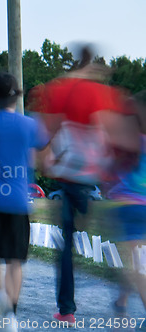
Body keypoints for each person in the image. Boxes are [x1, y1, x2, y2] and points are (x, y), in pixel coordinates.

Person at [30, 45, 141, 327]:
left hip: (68, 182)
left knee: (66, 247)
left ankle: (66, 309)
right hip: (96, 182)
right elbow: (118, 141)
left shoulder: (60, 88)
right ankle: (123, 296)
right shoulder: (107, 96)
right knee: (118, 242)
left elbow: (47, 136)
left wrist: (45, 164)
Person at [0, 73, 48, 329]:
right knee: (15, 262)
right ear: (17, 96)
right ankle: (11, 316)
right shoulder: (29, 125)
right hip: (17, 201)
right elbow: (42, 148)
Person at [107, 91, 146, 326]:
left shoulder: (123, 144)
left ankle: (122, 303)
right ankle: (122, 303)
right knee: (138, 262)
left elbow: (109, 173)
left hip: (126, 206)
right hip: (139, 208)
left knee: (136, 262)